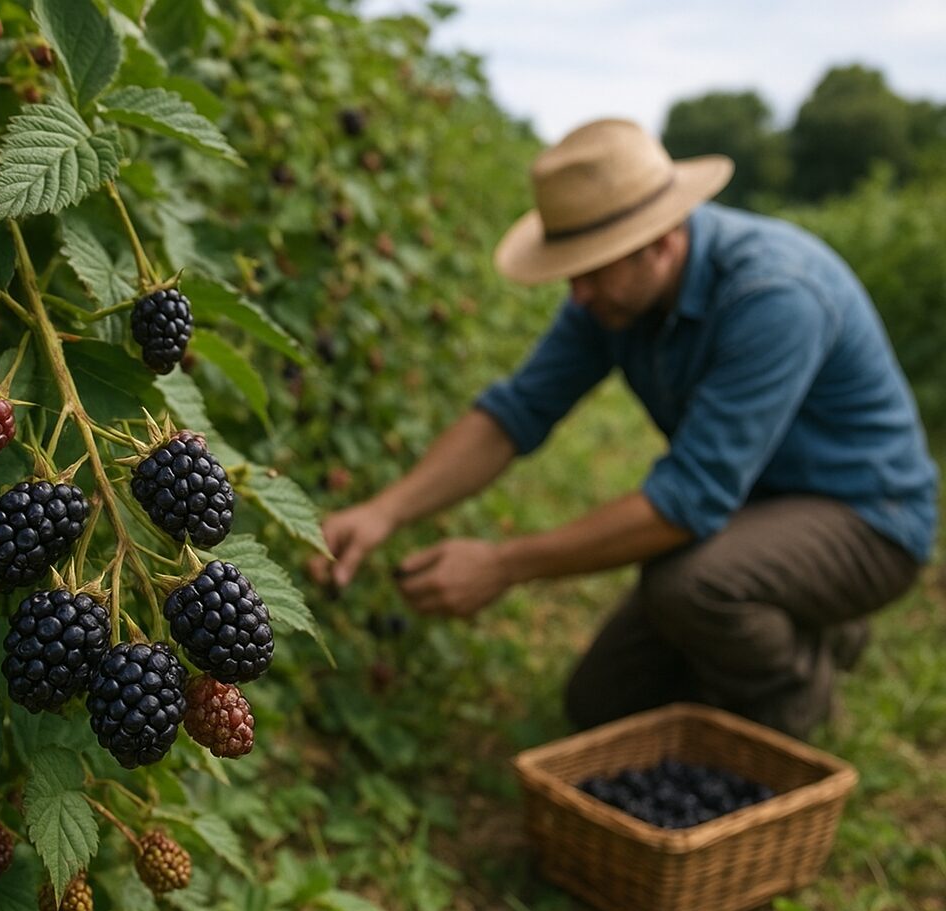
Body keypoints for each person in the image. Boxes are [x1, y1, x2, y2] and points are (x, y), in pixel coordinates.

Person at [310, 118, 939, 739]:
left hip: (868, 516)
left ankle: (794, 698)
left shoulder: (774, 296)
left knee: (689, 588)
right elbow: (517, 412)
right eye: (570, 270)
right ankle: (805, 614)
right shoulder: (609, 297)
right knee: (602, 700)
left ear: (660, 242)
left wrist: (504, 565)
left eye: (591, 270)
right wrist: (385, 510)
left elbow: (687, 502)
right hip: (754, 511)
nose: (576, 293)